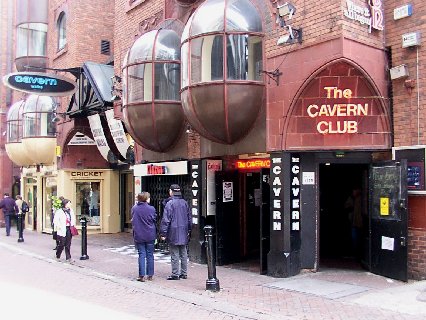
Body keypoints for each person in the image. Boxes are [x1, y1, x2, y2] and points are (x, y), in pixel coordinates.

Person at [160, 184, 192, 280]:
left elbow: (166, 220)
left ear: (171, 191)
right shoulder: (184, 203)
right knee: (183, 252)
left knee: (174, 253)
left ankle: (175, 274)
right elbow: (189, 218)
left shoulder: (170, 204)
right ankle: (184, 273)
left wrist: (163, 233)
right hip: (183, 230)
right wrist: (189, 230)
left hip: (173, 231)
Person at [131, 192, 157, 282]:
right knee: (150, 254)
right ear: (146, 199)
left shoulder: (135, 208)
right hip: (150, 234)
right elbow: (154, 219)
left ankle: (141, 275)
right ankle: (150, 275)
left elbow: (133, 220)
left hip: (139, 234)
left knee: (141, 254)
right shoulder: (151, 209)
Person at [53, 199, 76, 263]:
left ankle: (68, 258)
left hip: (69, 228)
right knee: (62, 243)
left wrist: (72, 225)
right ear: (65, 204)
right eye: (69, 203)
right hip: (62, 229)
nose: (70, 204)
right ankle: (58, 255)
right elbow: (55, 221)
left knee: (68, 243)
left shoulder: (71, 211)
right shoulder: (59, 211)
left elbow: (73, 218)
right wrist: (59, 227)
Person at [344, 188, 363, 257]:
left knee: (357, 238)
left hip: (359, 222)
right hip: (353, 222)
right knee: (354, 238)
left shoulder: (362, 199)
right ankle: (354, 253)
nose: (354, 192)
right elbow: (346, 206)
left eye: (355, 190)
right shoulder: (351, 198)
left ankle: (357, 254)